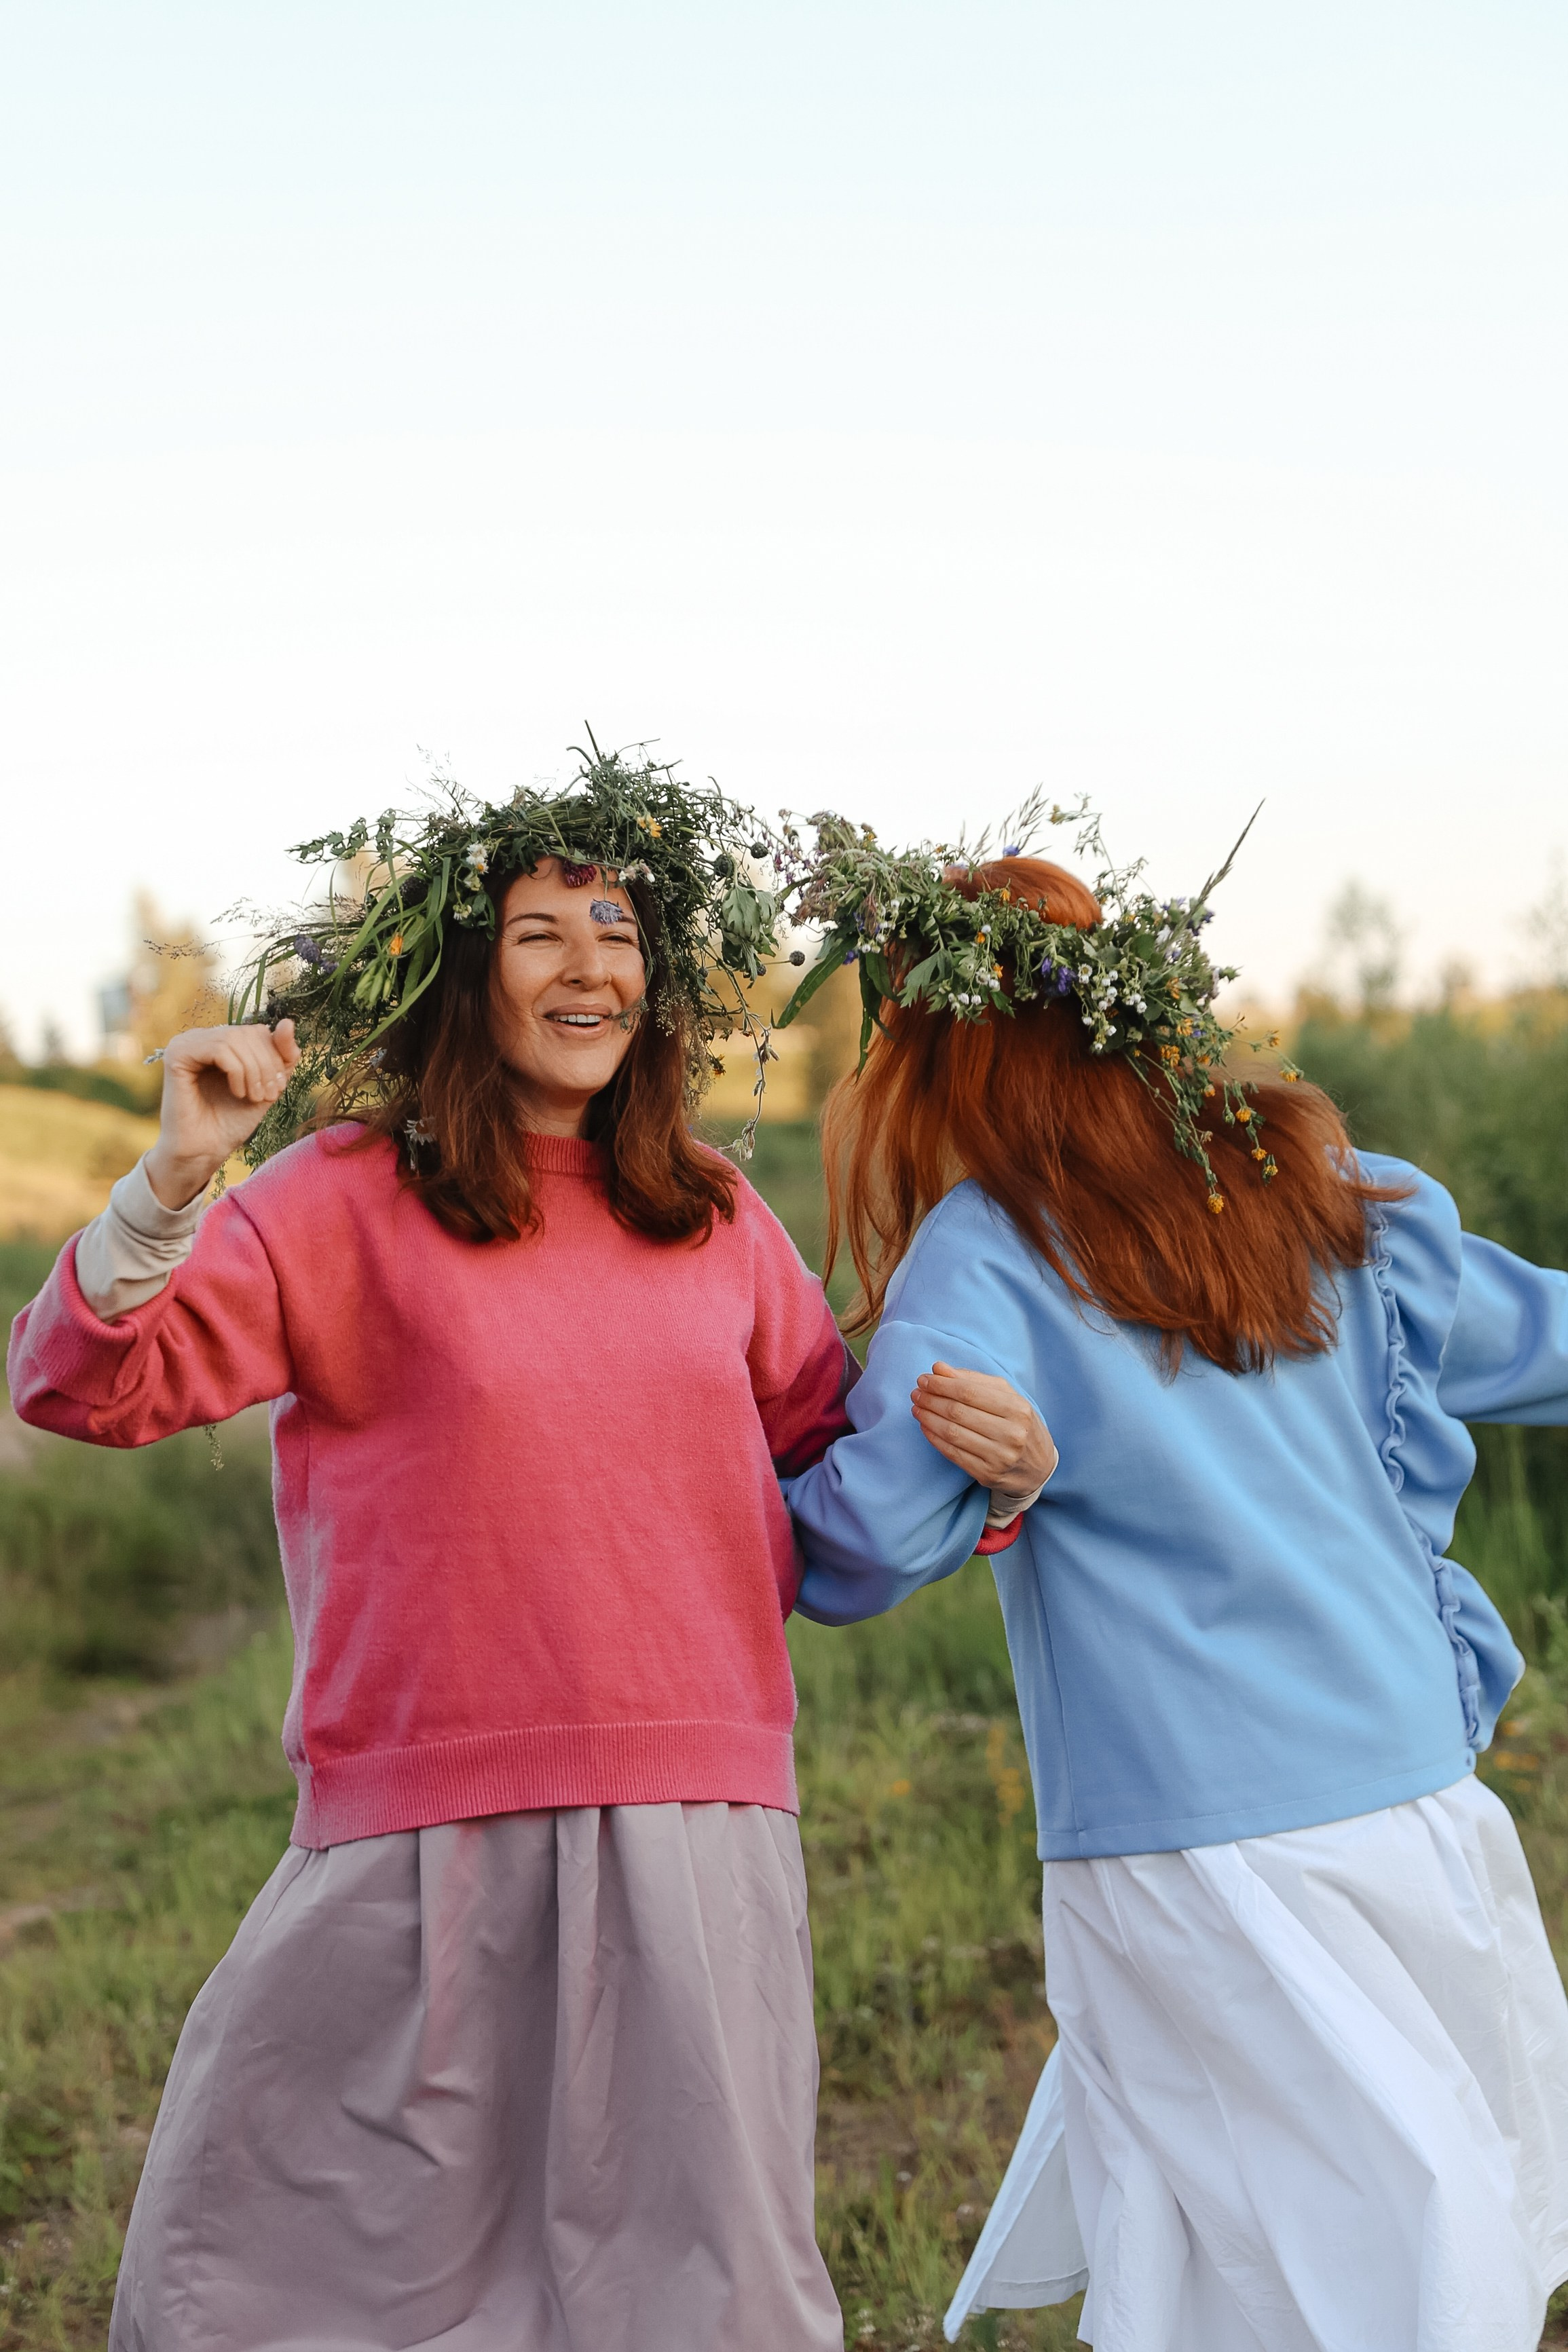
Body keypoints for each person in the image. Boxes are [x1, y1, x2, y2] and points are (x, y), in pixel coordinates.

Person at [7, 754, 1046, 2352]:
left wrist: (994, 1478)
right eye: (541, 931)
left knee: (700, 2297)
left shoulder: (712, 1214)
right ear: (458, 969)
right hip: (415, 1825)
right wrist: (173, 1176)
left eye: (618, 928)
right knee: (300, 2275)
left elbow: (839, 1489)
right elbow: (83, 1383)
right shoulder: (338, 1198)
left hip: (697, 1824)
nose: (591, 966)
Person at [777, 803, 1568, 2351]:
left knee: (1250, 2265)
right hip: (1415, 1798)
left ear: (943, 1061)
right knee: (1414, 2242)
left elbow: (855, 1548)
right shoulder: (1324, 1189)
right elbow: (1543, 1337)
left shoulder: (988, 1253)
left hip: (1192, 1839)